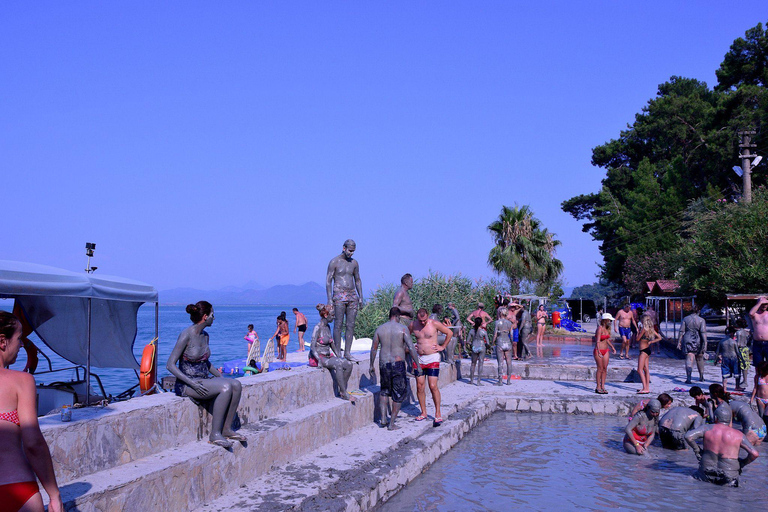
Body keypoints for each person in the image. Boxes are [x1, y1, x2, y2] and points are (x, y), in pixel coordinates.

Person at [0, 311, 64, 512]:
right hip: (16, 489)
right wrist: (54, 495)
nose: (21, 345)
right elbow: (33, 443)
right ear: (3, 341)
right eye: (19, 338)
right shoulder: (21, 381)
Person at [167, 301, 245, 449]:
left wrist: (220, 376)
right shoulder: (186, 335)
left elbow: (205, 362)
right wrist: (191, 383)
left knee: (236, 384)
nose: (213, 318)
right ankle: (215, 434)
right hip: (187, 384)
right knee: (225, 388)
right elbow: (170, 364)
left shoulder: (205, 336)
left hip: (202, 380)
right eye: (212, 315)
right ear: (205, 317)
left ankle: (226, 429)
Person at [370, 307, 421, 430]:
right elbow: (411, 348)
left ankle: (383, 419)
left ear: (389, 315)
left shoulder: (380, 329)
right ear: (398, 317)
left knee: (384, 391)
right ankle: (391, 423)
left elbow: (374, 349)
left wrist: (371, 365)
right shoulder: (402, 329)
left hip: (384, 363)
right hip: (397, 364)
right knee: (398, 393)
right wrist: (417, 365)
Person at [684, 406, 759, 486]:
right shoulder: (739, 435)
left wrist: (697, 451)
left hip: (705, 472)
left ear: (716, 417)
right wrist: (743, 463)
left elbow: (688, 436)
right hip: (729, 475)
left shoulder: (706, 428)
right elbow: (755, 454)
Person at [410, 309, 451, 426]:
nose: (422, 323)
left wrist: (443, 346)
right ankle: (423, 412)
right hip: (419, 359)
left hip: (432, 358)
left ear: (427, 316)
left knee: (433, 386)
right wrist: (410, 347)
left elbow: (449, 333)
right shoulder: (413, 324)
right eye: (420, 320)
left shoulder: (434, 324)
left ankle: (438, 413)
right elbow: (405, 336)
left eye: (424, 320)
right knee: (419, 386)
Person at [326, 239, 363, 360]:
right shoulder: (334, 262)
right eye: (350, 250)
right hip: (339, 293)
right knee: (338, 324)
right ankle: (338, 353)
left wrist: (361, 296)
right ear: (344, 248)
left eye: (353, 251)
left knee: (350, 325)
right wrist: (329, 300)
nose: (351, 253)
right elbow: (328, 281)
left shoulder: (354, 263)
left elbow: (357, 279)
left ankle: (347, 352)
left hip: (352, 294)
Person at [309, 304, 355, 402]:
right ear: (326, 315)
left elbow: (332, 344)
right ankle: (344, 393)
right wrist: (318, 360)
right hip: (319, 357)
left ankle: (342, 388)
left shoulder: (328, 327)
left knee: (348, 364)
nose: (334, 317)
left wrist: (339, 355)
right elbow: (312, 347)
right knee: (338, 364)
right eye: (333, 315)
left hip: (328, 356)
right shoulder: (317, 328)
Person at [676, 305, 708, 384]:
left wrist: (679, 342)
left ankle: (689, 378)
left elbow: (681, 331)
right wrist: (705, 343)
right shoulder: (701, 320)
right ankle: (701, 376)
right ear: (698, 311)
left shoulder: (686, 319)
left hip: (688, 339)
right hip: (698, 339)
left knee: (689, 358)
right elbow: (703, 332)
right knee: (700, 358)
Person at [636, 314, 662, 394]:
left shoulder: (644, 329)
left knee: (639, 370)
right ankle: (647, 387)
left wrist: (638, 332)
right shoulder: (650, 329)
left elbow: (637, 339)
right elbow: (659, 337)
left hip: (643, 351)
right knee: (646, 369)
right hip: (647, 350)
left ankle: (645, 388)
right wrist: (651, 342)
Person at [593, 313, 616, 394]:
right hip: (598, 350)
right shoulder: (600, 328)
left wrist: (612, 347)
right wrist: (598, 351)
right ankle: (598, 386)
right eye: (609, 320)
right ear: (605, 320)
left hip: (606, 350)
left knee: (605, 368)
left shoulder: (607, 329)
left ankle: (603, 386)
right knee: (600, 368)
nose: (610, 322)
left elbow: (606, 340)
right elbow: (598, 341)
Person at [715, 328, 742, 394]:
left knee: (725, 373)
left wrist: (715, 360)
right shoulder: (733, 342)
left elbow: (717, 352)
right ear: (731, 333)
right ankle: (737, 386)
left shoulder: (721, 342)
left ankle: (724, 388)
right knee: (737, 373)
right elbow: (737, 352)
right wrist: (742, 360)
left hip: (725, 358)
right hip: (734, 358)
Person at [491, 308, 514, 386]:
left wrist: (492, 343)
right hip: (508, 343)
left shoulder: (497, 322)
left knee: (500, 363)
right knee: (509, 363)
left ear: (500, 313)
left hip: (500, 342)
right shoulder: (510, 323)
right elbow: (511, 335)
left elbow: (495, 334)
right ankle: (508, 381)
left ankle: (500, 381)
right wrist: (511, 343)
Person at [467, 317, 488, 386]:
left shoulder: (471, 331)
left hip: (474, 347)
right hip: (482, 346)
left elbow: (468, 341)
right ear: (481, 323)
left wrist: (471, 345)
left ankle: (471, 380)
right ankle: (478, 381)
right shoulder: (483, 331)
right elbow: (487, 342)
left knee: (473, 364)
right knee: (480, 363)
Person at [749, 296, 768, 368]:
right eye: (762, 304)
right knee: (758, 365)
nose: (764, 306)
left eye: (766, 304)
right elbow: (751, 313)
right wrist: (760, 302)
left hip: (767, 343)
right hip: (757, 343)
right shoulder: (755, 315)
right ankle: (759, 378)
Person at [734, 318, 751, 390]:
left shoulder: (738, 333)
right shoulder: (746, 332)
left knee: (738, 366)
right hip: (746, 349)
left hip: (740, 349)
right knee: (745, 366)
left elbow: (738, 343)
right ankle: (745, 380)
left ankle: (742, 382)